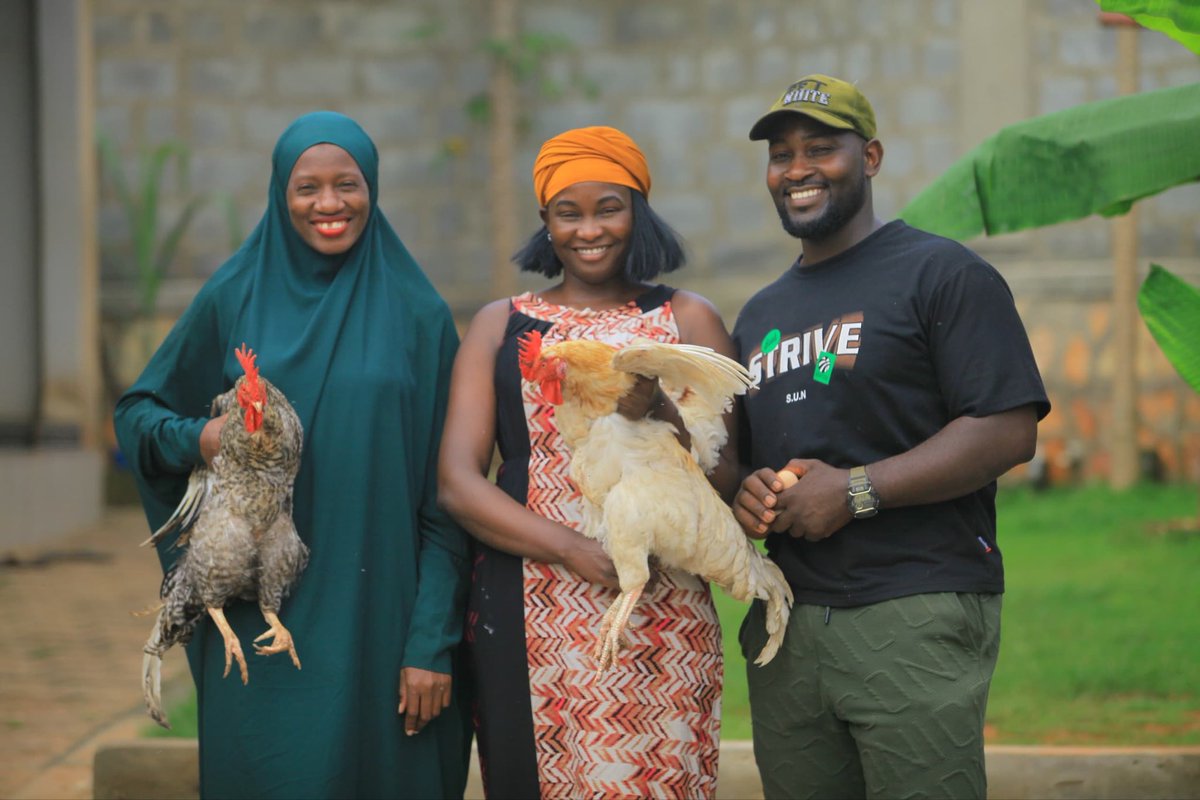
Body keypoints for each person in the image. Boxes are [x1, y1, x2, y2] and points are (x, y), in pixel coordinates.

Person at [114, 111, 470, 799]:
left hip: (382, 617)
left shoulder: (418, 314)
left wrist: (431, 642)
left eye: (348, 185)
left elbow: (447, 495)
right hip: (262, 618)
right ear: (281, 192)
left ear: (373, 189)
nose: (329, 204)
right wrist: (202, 439)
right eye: (309, 187)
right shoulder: (234, 294)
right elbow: (139, 412)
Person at [731, 75, 1050, 800]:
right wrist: (748, 494)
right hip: (787, 624)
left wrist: (854, 491)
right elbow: (749, 463)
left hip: (912, 604)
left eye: (821, 148)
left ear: (869, 157)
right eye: (781, 155)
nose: (797, 169)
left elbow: (1007, 428)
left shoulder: (941, 275)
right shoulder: (759, 315)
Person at [438, 125, 737, 799]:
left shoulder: (687, 321)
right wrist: (573, 549)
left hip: (664, 608)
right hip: (526, 602)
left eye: (609, 207)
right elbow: (458, 482)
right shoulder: (500, 325)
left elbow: (727, 479)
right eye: (568, 212)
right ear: (545, 222)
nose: (589, 229)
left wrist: (663, 415)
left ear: (639, 211)